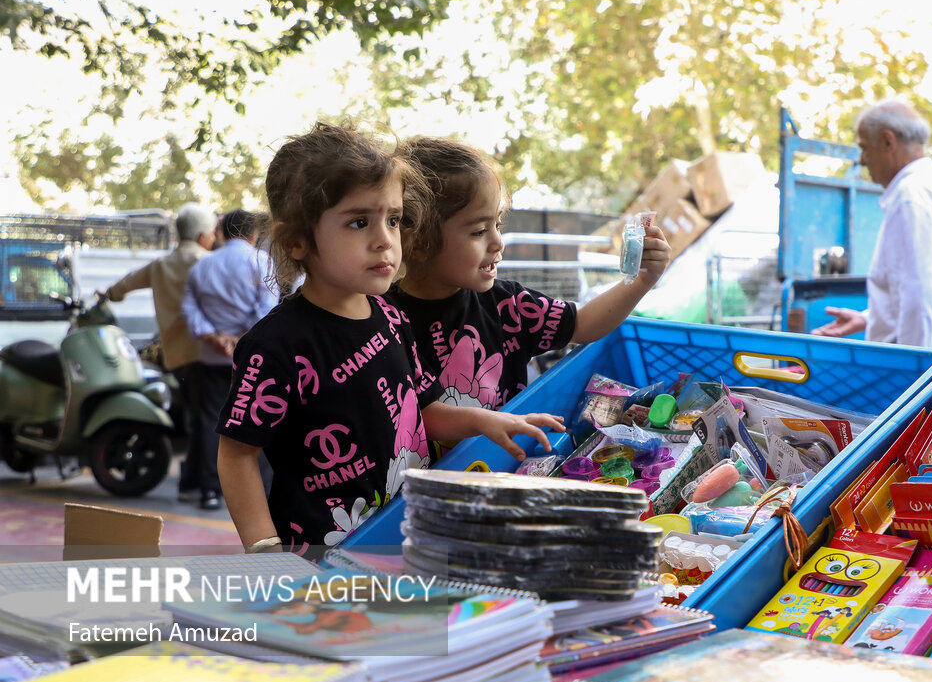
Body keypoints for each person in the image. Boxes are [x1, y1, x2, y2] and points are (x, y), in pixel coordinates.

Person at [216, 123, 563, 558]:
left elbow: (425, 408)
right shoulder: (275, 345)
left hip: (406, 535)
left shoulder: (390, 316)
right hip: (325, 559)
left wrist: (484, 422)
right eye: (359, 222)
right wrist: (265, 548)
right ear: (297, 241)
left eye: (393, 219)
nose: (385, 240)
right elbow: (236, 455)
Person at [389, 137, 671, 458]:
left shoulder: (509, 303)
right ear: (420, 242)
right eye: (479, 231)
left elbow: (582, 324)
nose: (498, 242)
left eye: (497, 224)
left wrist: (643, 280)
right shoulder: (384, 323)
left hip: (511, 461)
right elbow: (423, 415)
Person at [811, 100, 932, 357]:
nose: (862, 160)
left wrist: (914, 372)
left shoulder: (911, 195)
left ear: (887, 141)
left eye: (864, 148)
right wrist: (868, 318)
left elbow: (920, 294)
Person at [104, 202, 218, 496]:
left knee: (197, 419)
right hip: (208, 352)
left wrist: (107, 294)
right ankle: (208, 488)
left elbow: (123, 286)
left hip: (175, 357)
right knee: (209, 421)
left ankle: (189, 482)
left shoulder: (160, 265)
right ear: (205, 235)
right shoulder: (208, 262)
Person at [181, 209, 276, 511]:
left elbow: (190, 310)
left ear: (222, 232)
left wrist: (215, 338)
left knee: (212, 422)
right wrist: (239, 339)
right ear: (253, 234)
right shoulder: (261, 262)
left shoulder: (203, 265)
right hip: (251, 361)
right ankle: (257, 495)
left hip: (212, 357)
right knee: (255, 423)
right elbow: (267, 310)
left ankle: (210, 491)